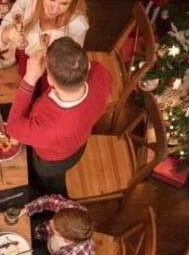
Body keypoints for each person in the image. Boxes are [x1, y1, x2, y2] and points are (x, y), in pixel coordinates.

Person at [6, 37, 112, 195]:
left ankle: (52, 194)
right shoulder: (101, 75)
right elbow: (97, 68)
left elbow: (13, 128)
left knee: (50, 182)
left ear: (49, 80)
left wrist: (30, 79)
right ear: (87, 66)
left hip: (51, 162)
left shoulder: (47, 126)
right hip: (79, 145)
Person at [0, 0, 88, 91]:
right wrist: (9, 32)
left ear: (73, 0)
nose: (54, 9)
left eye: (64, 3)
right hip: (26, 60)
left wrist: (52, 60)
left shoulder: (78, 24)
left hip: (52, 72)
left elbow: (72, 63)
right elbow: (3, 35)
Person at [19, 194, 95, 255]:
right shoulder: (71, 210)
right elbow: (50, 200)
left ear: (67, 239)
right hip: (47, 236)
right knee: (21, 233)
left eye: (55, 228)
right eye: (55, 219)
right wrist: (27, 209)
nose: (51, 221)